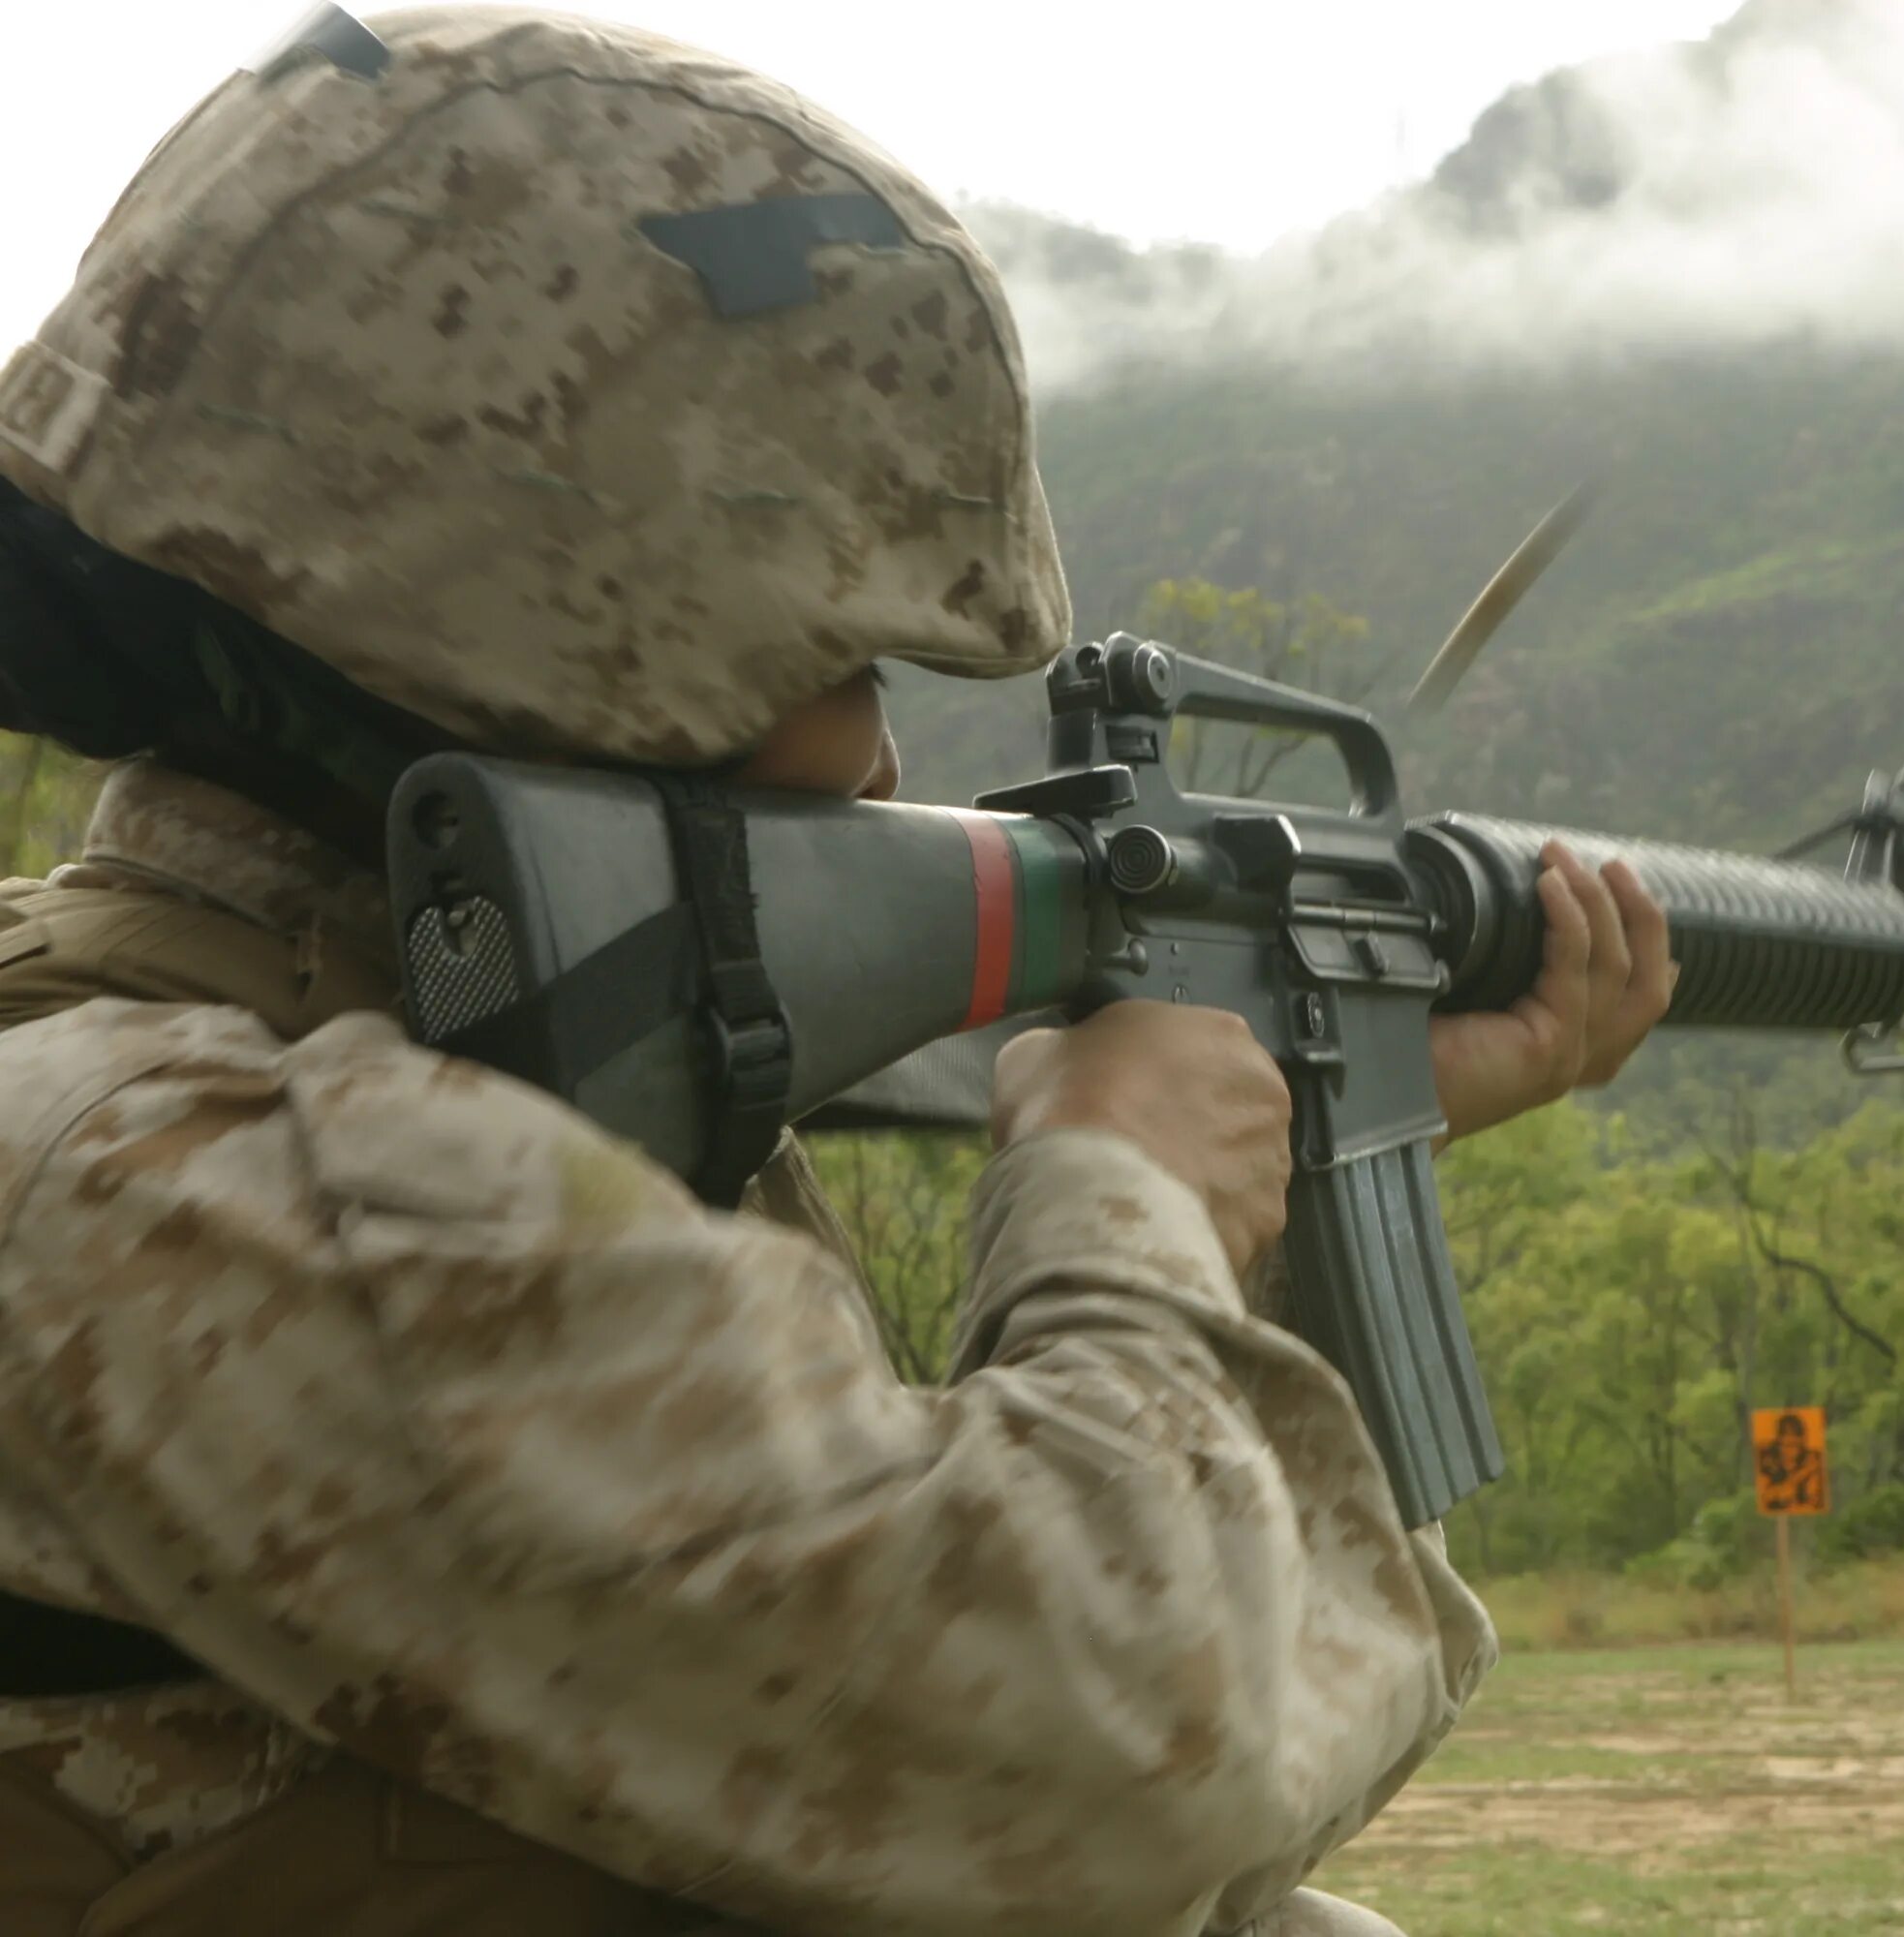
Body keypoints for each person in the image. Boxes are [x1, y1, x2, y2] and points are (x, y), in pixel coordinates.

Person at [0, 9, 1673, 1933]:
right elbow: (1125, 1760)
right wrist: (1120, 1204)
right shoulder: (204, 1179)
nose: (881, 764)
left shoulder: (368, 1059)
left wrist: (1296, 1144)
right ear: (562, 626)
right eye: (838, 668)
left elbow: (1010, 1801)